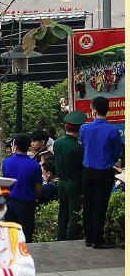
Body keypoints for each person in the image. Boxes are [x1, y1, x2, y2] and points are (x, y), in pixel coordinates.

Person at [79, 96, 124, 248]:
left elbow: (84, 145)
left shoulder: (84, 128)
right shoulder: (113, 131)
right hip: (104, 171)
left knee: (88, 203)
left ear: (93, 110)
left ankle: (89, 238)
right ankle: (98, 239)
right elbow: (116, 152)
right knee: (100, 205)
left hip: (88, 171)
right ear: (107, 110)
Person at [53, 110, 86, 242]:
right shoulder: (78, 147)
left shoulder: (58, 143)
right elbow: (82, 166)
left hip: (61, 183)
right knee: (74, 215)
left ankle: (60, 238)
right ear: (79, 128)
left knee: (63, 213)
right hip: (74, 185)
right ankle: (70, 240)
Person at [1, 134, 42, 240]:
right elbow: (38, 186)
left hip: (10, 202)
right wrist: (36, 198)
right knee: (26, 235)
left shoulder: (7, 162)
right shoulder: (35, 165)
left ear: (15, 146)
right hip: (27, 204)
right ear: (28, 146)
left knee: (11, 234)